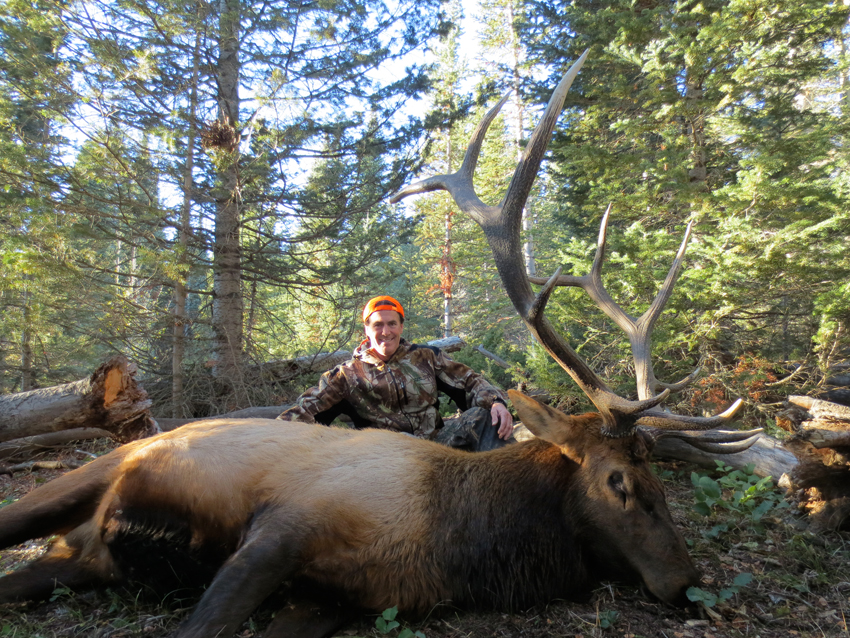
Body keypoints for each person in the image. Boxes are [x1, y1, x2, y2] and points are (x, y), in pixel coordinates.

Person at [277, 295, 513, 450]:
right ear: (367, 330)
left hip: (437, 446)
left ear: (401, 326)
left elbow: (470, 381)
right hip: (385, 457)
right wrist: (267, 436)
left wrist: (496, 402)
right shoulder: (346, 375)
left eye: (391, 324)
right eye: (377, 324)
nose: (385, 331)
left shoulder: (426, 356)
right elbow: (304, 410)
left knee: (484, 419)